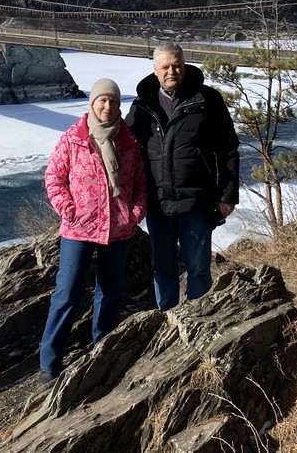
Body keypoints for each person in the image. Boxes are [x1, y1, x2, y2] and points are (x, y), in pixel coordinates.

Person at [39, 78, 147, 383]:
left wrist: (135, 212)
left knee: (110, 294)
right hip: (78, 230)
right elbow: (54, 178)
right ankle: (49, 364)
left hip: (119, 229)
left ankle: (102, 352)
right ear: (92, 103)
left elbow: (140, 183)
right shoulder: (73, 138)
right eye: (102, 100)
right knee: (67, 294)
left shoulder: (128, 141)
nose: (107, 106)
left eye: (113, 101)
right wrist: (68, 210)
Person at [126, 41, 240, 310]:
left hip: (197, 204)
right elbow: (128, 154)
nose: (171, 71)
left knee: (198, 270)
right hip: (158, 205)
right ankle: (168, 321)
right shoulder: (142, 107)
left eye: (176, 65)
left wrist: (227, 196)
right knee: (162, 270)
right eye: (165, 66)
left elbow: (228, 149)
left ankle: (198, 323)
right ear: (155, 70)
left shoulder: (207, 100)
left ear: (185, 66)